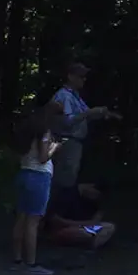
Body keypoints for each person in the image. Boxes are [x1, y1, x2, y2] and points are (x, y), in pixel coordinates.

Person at [11, 103, 66, 275]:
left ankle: (17, 259)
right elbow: (43, 158)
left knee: (21, 218)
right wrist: (55, 147)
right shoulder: (45, 132)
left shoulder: (26, 131)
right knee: (33, 222)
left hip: (24, 174)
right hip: (39, 177)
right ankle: (31, 264)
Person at [49, 61, 122, 189]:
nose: (84, 79)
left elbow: (87, 114)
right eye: (80, 76)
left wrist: (105, 113)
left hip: (75, 143)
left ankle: (62, 205)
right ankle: (57, 206)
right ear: (70, 76)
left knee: (70, 177)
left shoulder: (75, 97)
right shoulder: (64, 96)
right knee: (64, 180)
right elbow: (67, 122)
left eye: (84, 76)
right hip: (67, 142)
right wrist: (89, 113)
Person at [45, 182, 116, 250]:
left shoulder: (94, 201)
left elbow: (96, 220)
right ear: (91, 187)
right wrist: (78, 224)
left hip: (87, 228)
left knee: (109, 226)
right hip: (64, 229)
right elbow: (54, 219)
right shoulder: (67, 195)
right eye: (96, 194)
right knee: (84, 233)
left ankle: (93, 245)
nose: (95, 197)